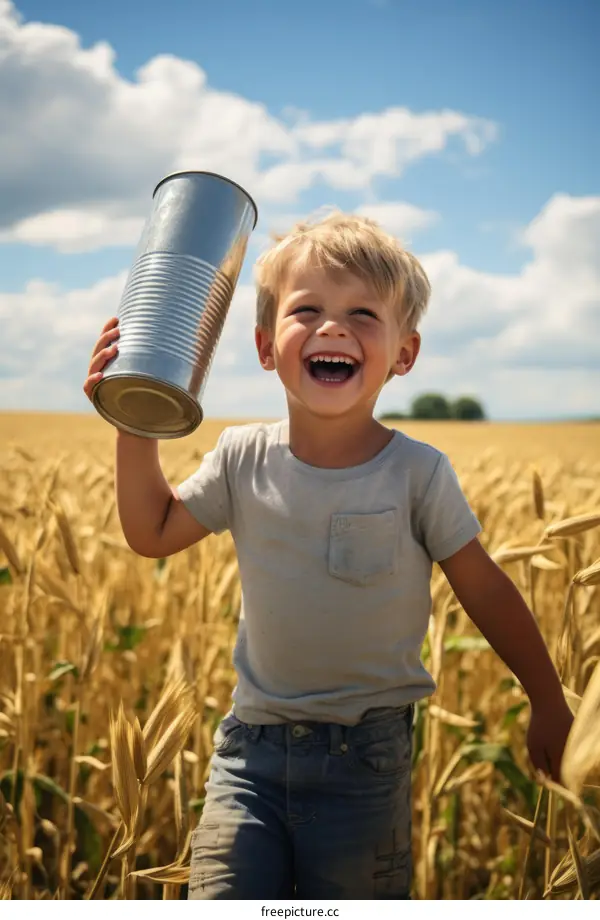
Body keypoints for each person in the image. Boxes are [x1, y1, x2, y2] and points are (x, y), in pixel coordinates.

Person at [83, 212, 573, 900]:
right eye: (306, 310)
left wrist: (547, 698)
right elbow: (152, 531)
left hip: (364, 767)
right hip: (247, 755)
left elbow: (484, 589)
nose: (332, 329)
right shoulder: (240, 457)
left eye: (362, 315)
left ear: (405, 354)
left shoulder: (417, 474)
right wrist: (134, 412)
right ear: (263, 345)